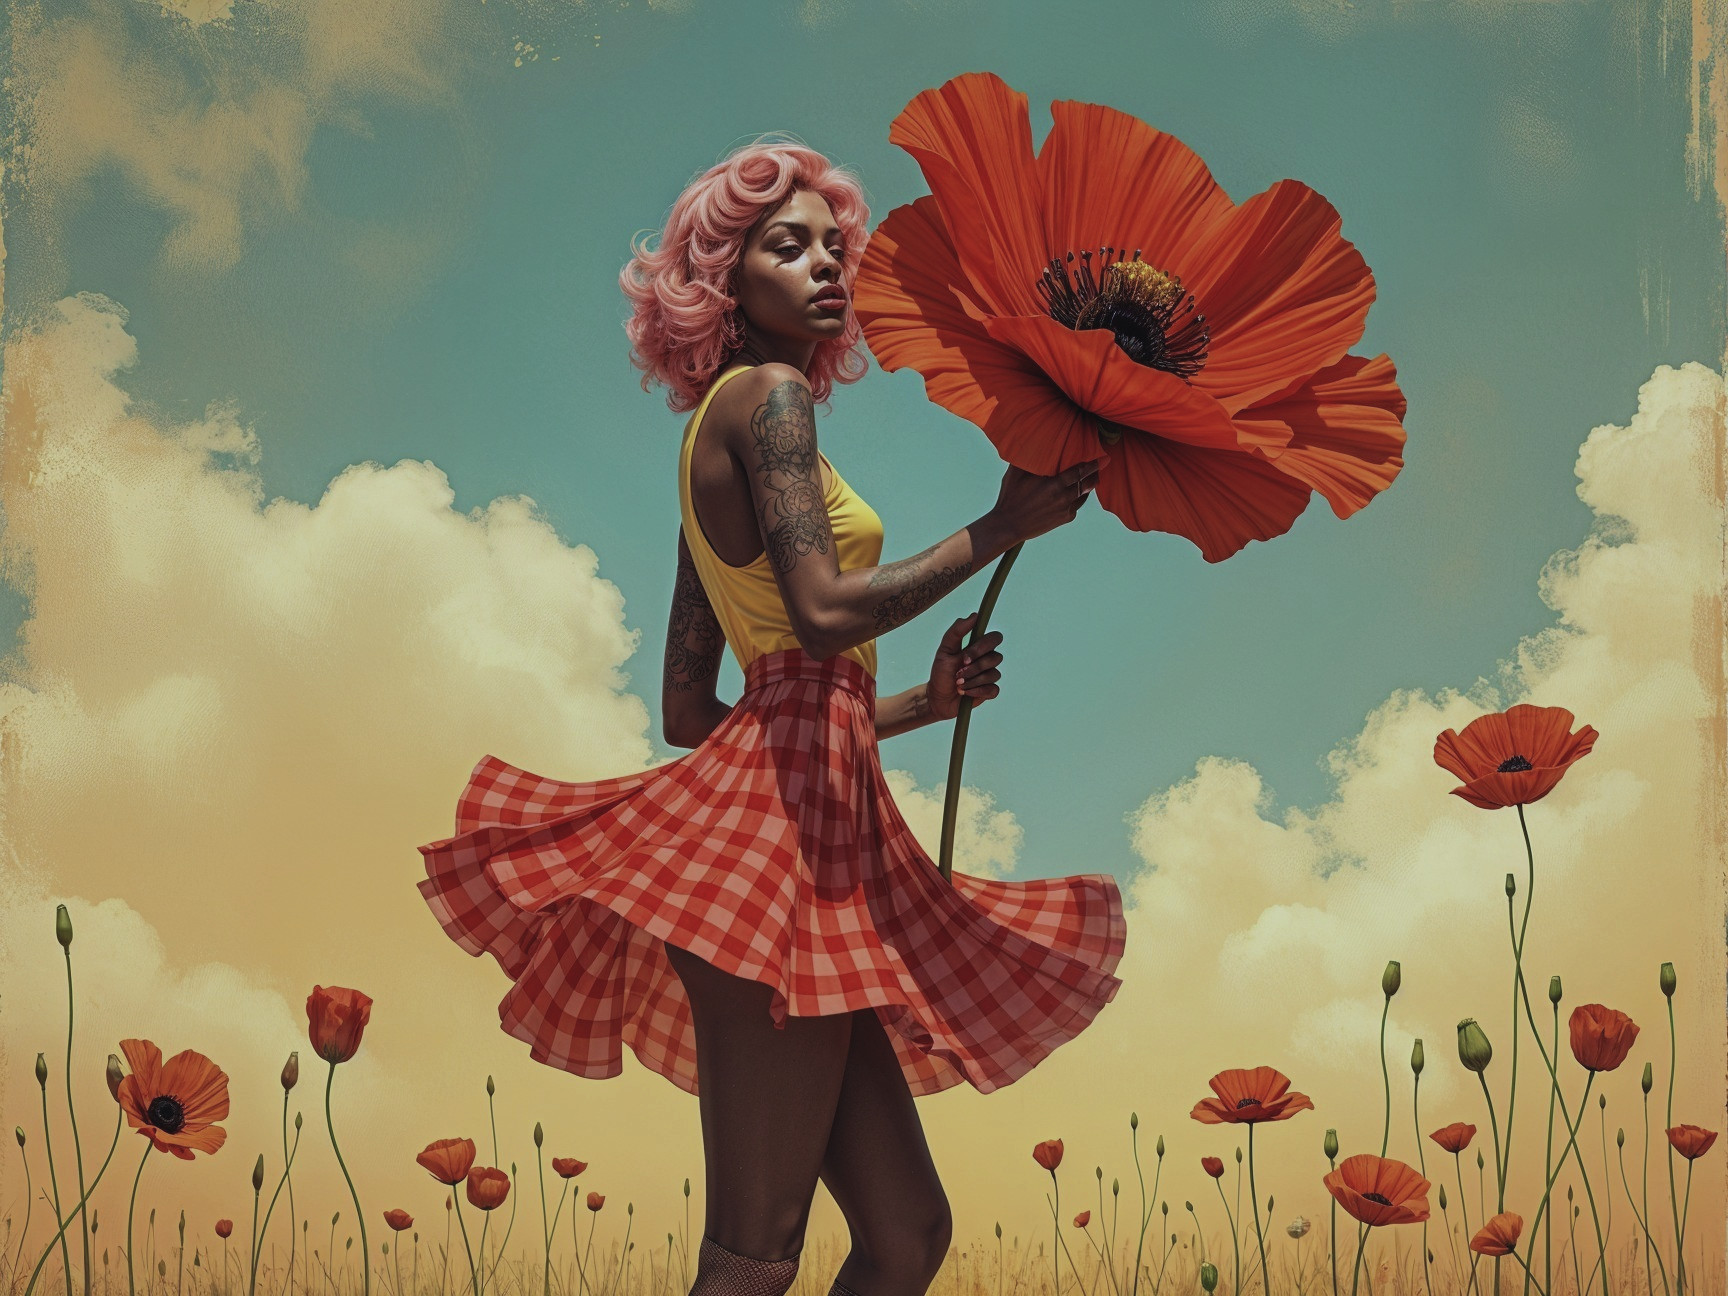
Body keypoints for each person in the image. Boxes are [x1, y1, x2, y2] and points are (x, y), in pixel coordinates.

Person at [416, 135, 1127, 1296]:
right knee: (753, 1263)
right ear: (720, 280)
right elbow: (825, 607)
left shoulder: (717, 432)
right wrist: (997, 529)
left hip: (804, 843)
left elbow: (696, 707)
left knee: (905, 1238)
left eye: (834, 247)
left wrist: (922, 701)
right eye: (785, 246)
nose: (825, 267)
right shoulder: (773, 401)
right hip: (772, 873)